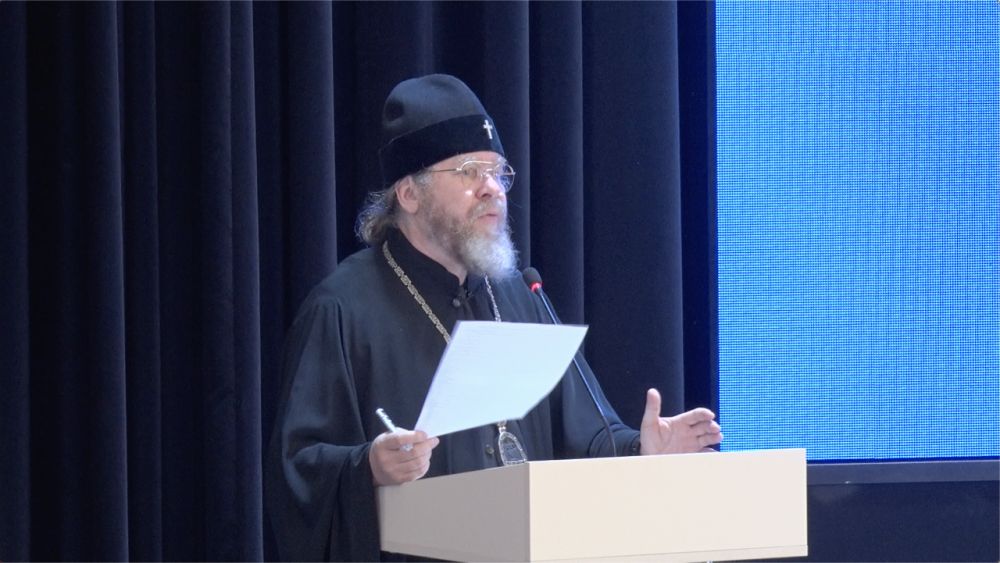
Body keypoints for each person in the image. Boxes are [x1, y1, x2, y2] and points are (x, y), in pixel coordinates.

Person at [264, 74, 723, 562]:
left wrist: (640, 451)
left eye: (498, 172)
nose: (493, 189)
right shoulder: (342, 308)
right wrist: (369, 467)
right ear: (410, 194)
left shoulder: (520, 295)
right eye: (468, 172)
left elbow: (585, 438)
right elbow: (297, 474)